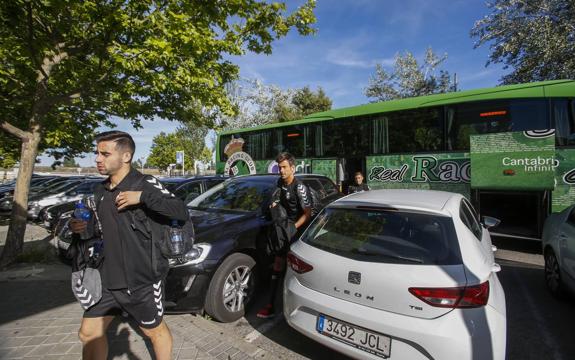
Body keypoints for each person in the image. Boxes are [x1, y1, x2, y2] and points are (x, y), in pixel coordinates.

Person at [69, 131, 188, 360]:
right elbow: (101, 230)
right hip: (106, 279)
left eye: (105, 154)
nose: (97, 159)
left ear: (126, 156)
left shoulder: (145, 183)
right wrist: (81, 229)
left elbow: (180, 211)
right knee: (88, 333)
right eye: (97, 153)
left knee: (153, 331)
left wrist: (142, 197)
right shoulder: (100, 191)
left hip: (140, 279)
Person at [257, 152, 312, 319]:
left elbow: (308, 213)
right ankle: (271, 305)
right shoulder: (279, 183)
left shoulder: (299, 186)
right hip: (282, 232)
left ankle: (303, 308)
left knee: (295, 270)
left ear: (292, 168)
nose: (281, 170)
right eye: (279, 167)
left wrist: (293, 228)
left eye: (284, 167)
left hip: (297, 233)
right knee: (278, 266)